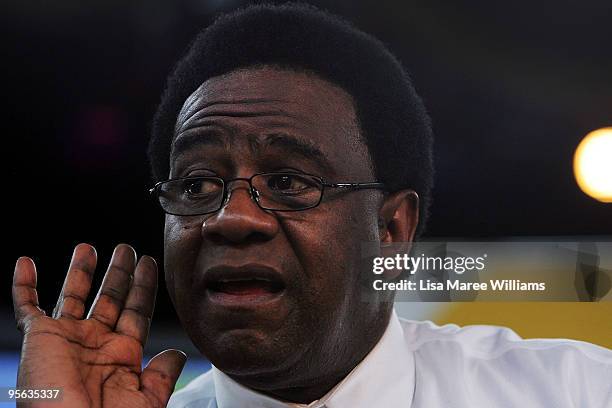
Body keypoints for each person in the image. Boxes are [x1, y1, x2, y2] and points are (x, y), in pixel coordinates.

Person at [12, 3, 612, 407]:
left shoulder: (574, 389)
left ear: (392, 230)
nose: (233, 218)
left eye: (290, 181)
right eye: (196, 186)